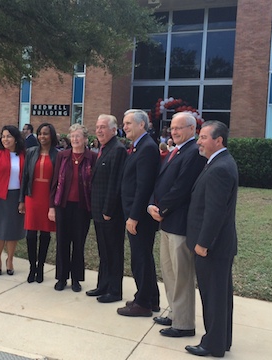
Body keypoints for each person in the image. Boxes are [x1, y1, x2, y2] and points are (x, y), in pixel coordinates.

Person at [148, 112, 206, 338]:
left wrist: (161, 209)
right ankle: (174, 313)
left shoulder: (194, 154)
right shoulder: (176, 151)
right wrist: (152, 204)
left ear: (192, 129)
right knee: (169, 272)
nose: (174, 132)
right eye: (172, 128)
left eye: (179, 128)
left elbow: (182, 188)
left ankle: (184, 324)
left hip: (179, 224)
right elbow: (161, 182)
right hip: (166, 222)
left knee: (182, 276)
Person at [185, 120, 238, 358]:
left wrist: (203, 243)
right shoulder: (217, 163)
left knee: (214, 296)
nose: (199, 141)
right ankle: (220, 340)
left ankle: (213, 345)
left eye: (204, 137)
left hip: (213, 247)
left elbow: (215, 212)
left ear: (219, 141)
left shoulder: (220, 168)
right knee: (220, 295)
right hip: (218, 246)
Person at [117, 109, 161, 317]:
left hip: (140, 217)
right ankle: (150, 298)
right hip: (135, 213)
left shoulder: (147, 148)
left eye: (128, 123)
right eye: (124, 124)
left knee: (140, 259)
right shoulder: (138, 146)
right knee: (143, 258)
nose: (124, 127)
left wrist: (133, 217)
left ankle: (142, 303)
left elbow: (143, 187)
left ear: (141, 124)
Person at [49, 124, 96, 292]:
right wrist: (52, 207)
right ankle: (61, 278)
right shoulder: (62, 156)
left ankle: (76, 279)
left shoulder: (92, 157)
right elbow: (54, 182)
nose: (75, 139)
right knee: (62, 242)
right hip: (63, 205)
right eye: (72, 136)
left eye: (78, 136)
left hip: (82, 207)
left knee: (78, 244)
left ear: (85, 139)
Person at [86, 114, 127, 303]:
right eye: (97, 127)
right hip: (99, 211)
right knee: (103, 251)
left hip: (109, 212)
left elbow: (115, 183)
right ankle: (103, 285)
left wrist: (108, 210)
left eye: (103, 127)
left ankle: (114, 291)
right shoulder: (104, 148)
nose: (99, 130)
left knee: (113, 251)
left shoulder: (117, 150)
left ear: (114, 130)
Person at [0, 125, 26, 276]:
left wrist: (24, 199)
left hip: (17, 197)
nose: (5, 139)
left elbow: (26, 178)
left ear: (16, 138)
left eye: (9, 136)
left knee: (14, 230)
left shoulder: (22, 155)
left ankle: (10, 260)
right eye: (4, 136)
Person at [20, 123, 58, 283]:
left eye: (46, 134)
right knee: (30, 234)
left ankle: (41, 267)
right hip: (32, 196)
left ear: (52, 136)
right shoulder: (30, 152)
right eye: (40, 134)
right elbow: (25, 177)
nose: (42, 136)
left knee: (45, 233)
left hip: (47, 198)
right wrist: (21, 200)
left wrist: (55, 204)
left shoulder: (58, 155)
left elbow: (58, 181)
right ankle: (32, 267)